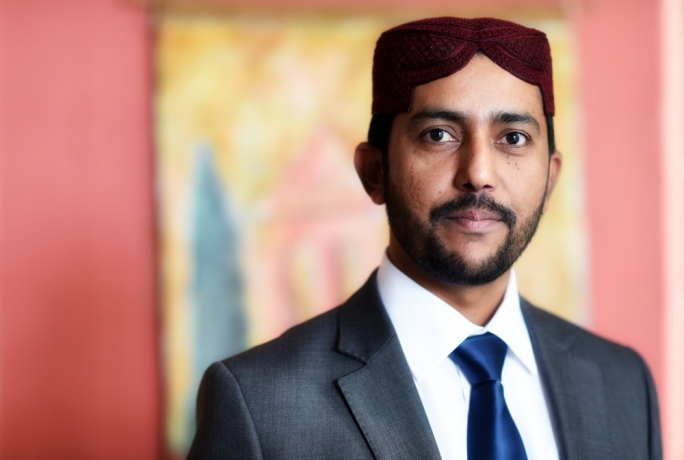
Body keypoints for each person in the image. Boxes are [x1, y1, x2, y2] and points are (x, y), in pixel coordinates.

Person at [187, 17, 661, 460]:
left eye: (513, 138)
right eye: (438, 135)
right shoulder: (259, 404)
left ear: (551, 180)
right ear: (375, 172)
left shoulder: (621, 384)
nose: (478, 174)